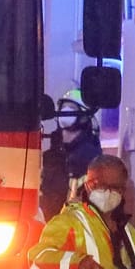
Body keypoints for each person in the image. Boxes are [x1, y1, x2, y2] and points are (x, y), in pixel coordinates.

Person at [39, 89, 101, 220]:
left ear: (85, 116)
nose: (66, 112)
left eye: (72, 108)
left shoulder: (90, 158)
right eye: (63, 107)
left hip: (72, 227)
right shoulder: (51, 157)